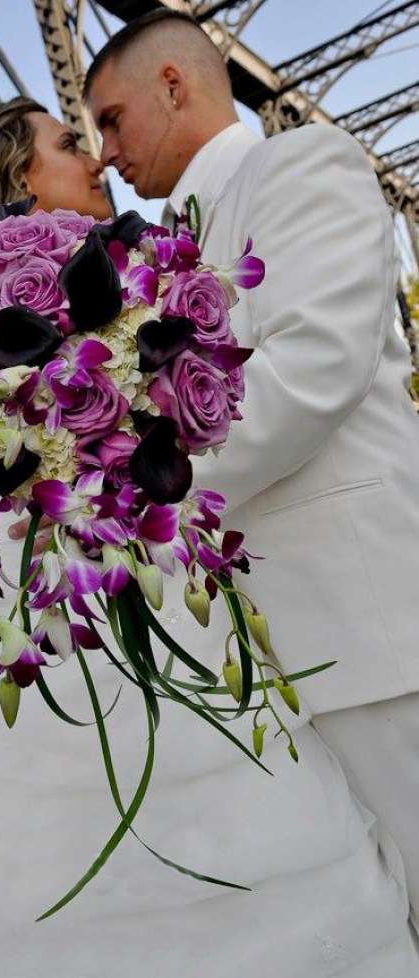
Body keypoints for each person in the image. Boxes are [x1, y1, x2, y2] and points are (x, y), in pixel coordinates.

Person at [0, 95, 418, 977]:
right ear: (18, 174)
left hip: (148, 554)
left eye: (100, 132)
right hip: (80, 572)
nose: (96, 158)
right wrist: (103, 461)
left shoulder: (132, 254)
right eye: (68, 142)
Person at [86, 3, 419, 942]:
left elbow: (315, 367)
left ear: (173, 85)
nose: (104, 154)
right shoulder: (164, 251)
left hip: (363, 628)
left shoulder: (300, 165)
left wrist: (139, 498)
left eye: (110, 119)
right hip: (262, 658)